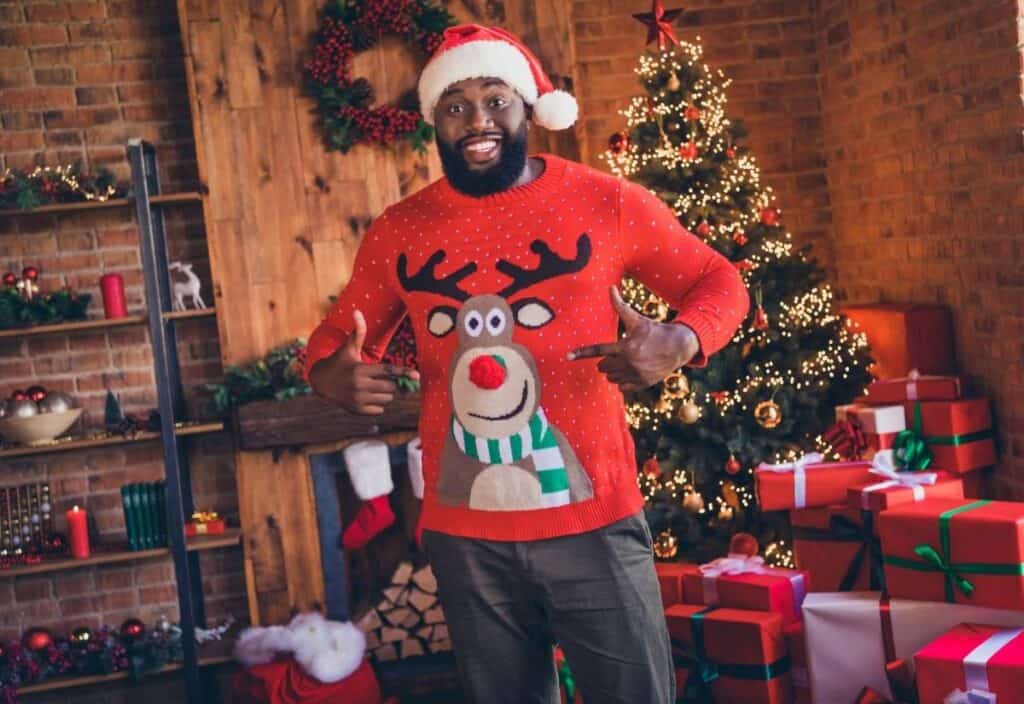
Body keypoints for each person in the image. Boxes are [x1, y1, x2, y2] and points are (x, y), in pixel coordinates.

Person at [304, 24, 748, 704]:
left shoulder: (607, 202)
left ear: (527, 108)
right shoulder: (399, 230)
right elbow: (339, 333)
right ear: (434, 121)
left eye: (495, 99)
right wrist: (326, 372)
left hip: (593, 520)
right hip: (464, 535)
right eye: (455, 105)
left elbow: (720, 283)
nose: (477, 120)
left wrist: (682, 341)